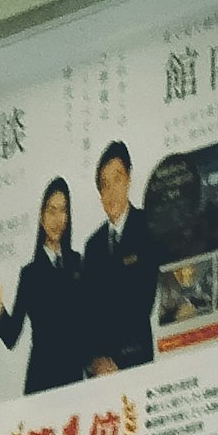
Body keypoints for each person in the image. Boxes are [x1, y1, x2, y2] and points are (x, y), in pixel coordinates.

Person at [0, 175, 84, 386]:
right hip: (42, 378)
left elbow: (88, 320)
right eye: (51, 211)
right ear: (41, 216)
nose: (57, 219)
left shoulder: (77, 262)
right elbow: (11, 337)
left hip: (74, 376)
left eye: (63, 210)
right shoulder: (31, 274)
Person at [80, 138, 157, 371]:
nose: (111, 191)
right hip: (100, 371)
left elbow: (142, 300)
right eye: (104, 184)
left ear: (129, 179)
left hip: (137, 360)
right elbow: (86, 311)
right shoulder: (93, 246)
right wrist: (94, 360)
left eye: (117, 179)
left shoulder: (148, 227)